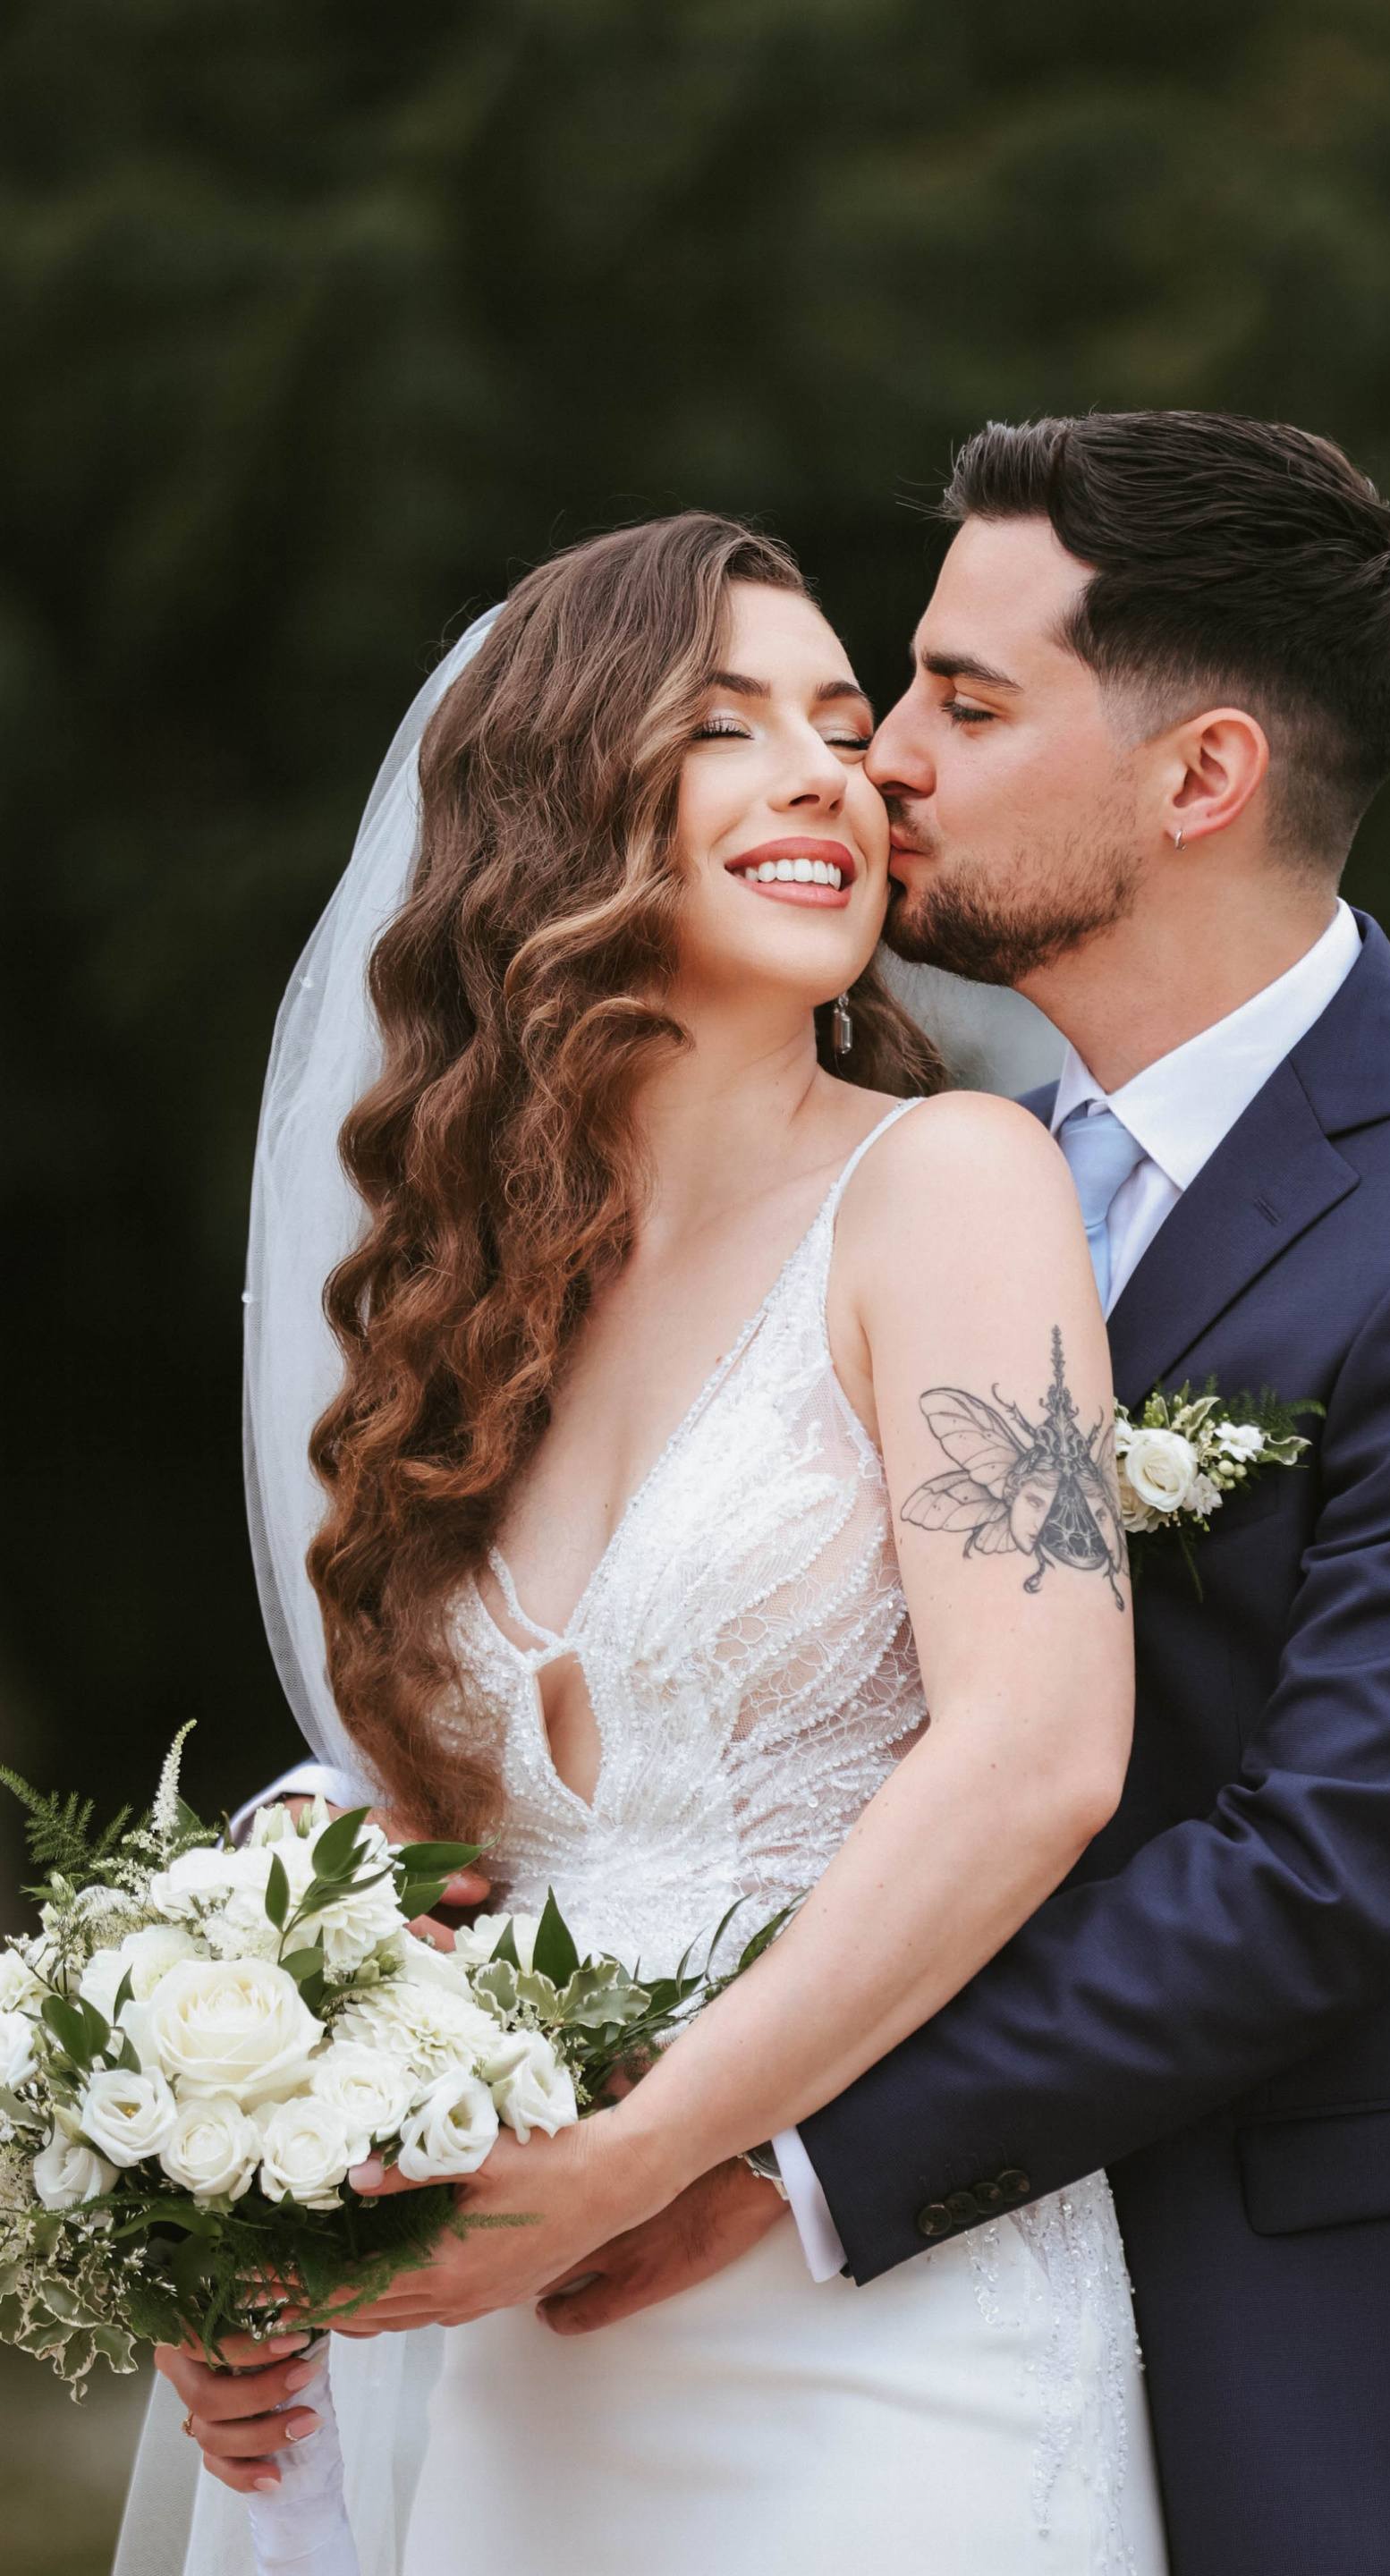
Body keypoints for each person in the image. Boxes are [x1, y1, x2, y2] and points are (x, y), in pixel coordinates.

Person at [165, 410, 1390, 2575]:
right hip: (617, 2332)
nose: (876, 761)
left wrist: (749, 2159)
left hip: (1313, 2340)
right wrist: (256, 2093)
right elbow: (526, 1752)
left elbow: (1323, 1862)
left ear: (1202, 776)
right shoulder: (789, 1196)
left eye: (957, 704)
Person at [144, 510, 1167, 2576]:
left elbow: (1040, 1753)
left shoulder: (950, 1186)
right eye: (726, 727)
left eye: (845, 727)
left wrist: (642, 2153)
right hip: (520, 2375)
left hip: (884, 2348)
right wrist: (237, 2210)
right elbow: (421, 1838)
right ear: (552, 810)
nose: (827, 777)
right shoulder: (466, 1310)